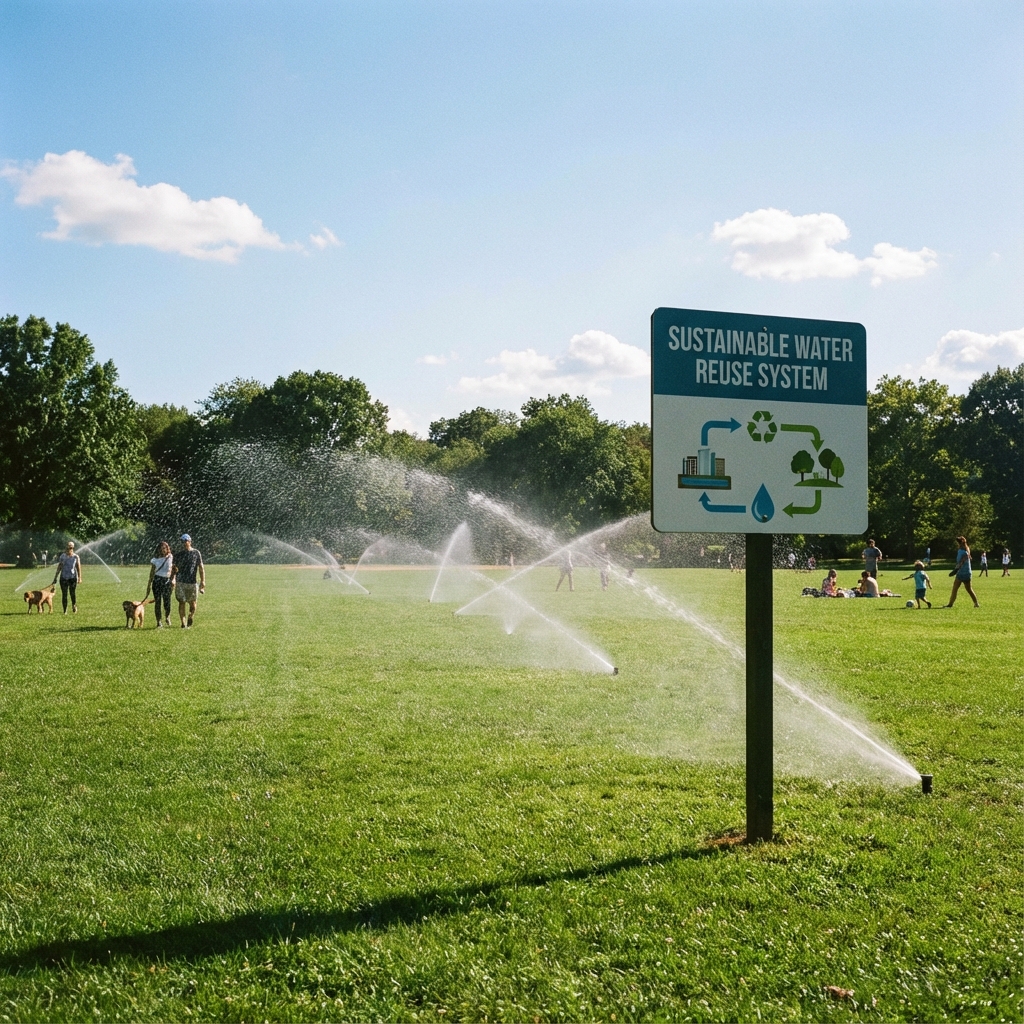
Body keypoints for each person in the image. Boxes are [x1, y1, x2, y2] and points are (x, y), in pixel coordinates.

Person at [170, 533, 206, 627]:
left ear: (190, 541)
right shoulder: (178, 555)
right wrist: (173, 579)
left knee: (193, 603)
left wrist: (203, 581)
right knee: (182, 602)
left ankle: (190, 616)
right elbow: (173, 569)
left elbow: (201, 567)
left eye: (186, 541)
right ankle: (183, 623)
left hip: (192, 583)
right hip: (180, 582)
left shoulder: (196, 553)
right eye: (182, 541)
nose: (184, 543)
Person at [144, 541, 174, 627]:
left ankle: (167, 616)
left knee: (167, 601)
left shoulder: (170, 557)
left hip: (167, 581)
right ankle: (159, 621)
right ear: (158, 550)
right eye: (161, 549)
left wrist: (173, 579)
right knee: (158, 602)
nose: (163, 551)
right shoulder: (155, 560)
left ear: (167, 548)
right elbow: (152, 572)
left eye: (164, 548)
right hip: (157, 580)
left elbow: (173, 569)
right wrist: (149, 584)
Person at [946, 536, 979, 608]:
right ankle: (976, 603)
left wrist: (956, 569)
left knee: (955, 589)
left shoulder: (962, 551)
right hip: (968, 572)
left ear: (959, 543)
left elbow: (962, 561)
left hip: (961, 572)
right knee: (969, 589)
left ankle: (950, 604)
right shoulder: (967, 550)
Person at [52, 541, 82, 614]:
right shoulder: (63, 556)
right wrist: (55, 577)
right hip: (63, 578)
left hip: (72, 578)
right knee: (64, 594)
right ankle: (65, 610)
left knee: (72, 593)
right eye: (68, 547)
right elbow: (59, 567)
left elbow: (78, 567)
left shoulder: (76, 557)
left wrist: (79, 577)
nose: (69, 548)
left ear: (73, 548)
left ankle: (74, 605)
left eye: (71, 547)